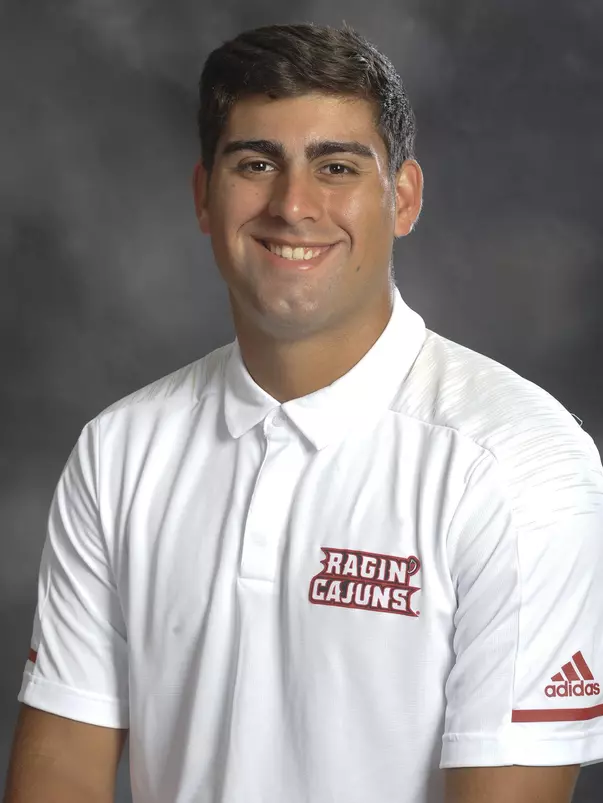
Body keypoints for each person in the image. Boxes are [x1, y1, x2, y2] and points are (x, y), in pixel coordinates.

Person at [4, 20, 603, 803]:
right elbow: (60, 774)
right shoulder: (119, 449)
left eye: (337, 166)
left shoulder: (520, 463)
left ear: (404, 199)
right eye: (256, 163)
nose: (293, 205)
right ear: (202, 196)